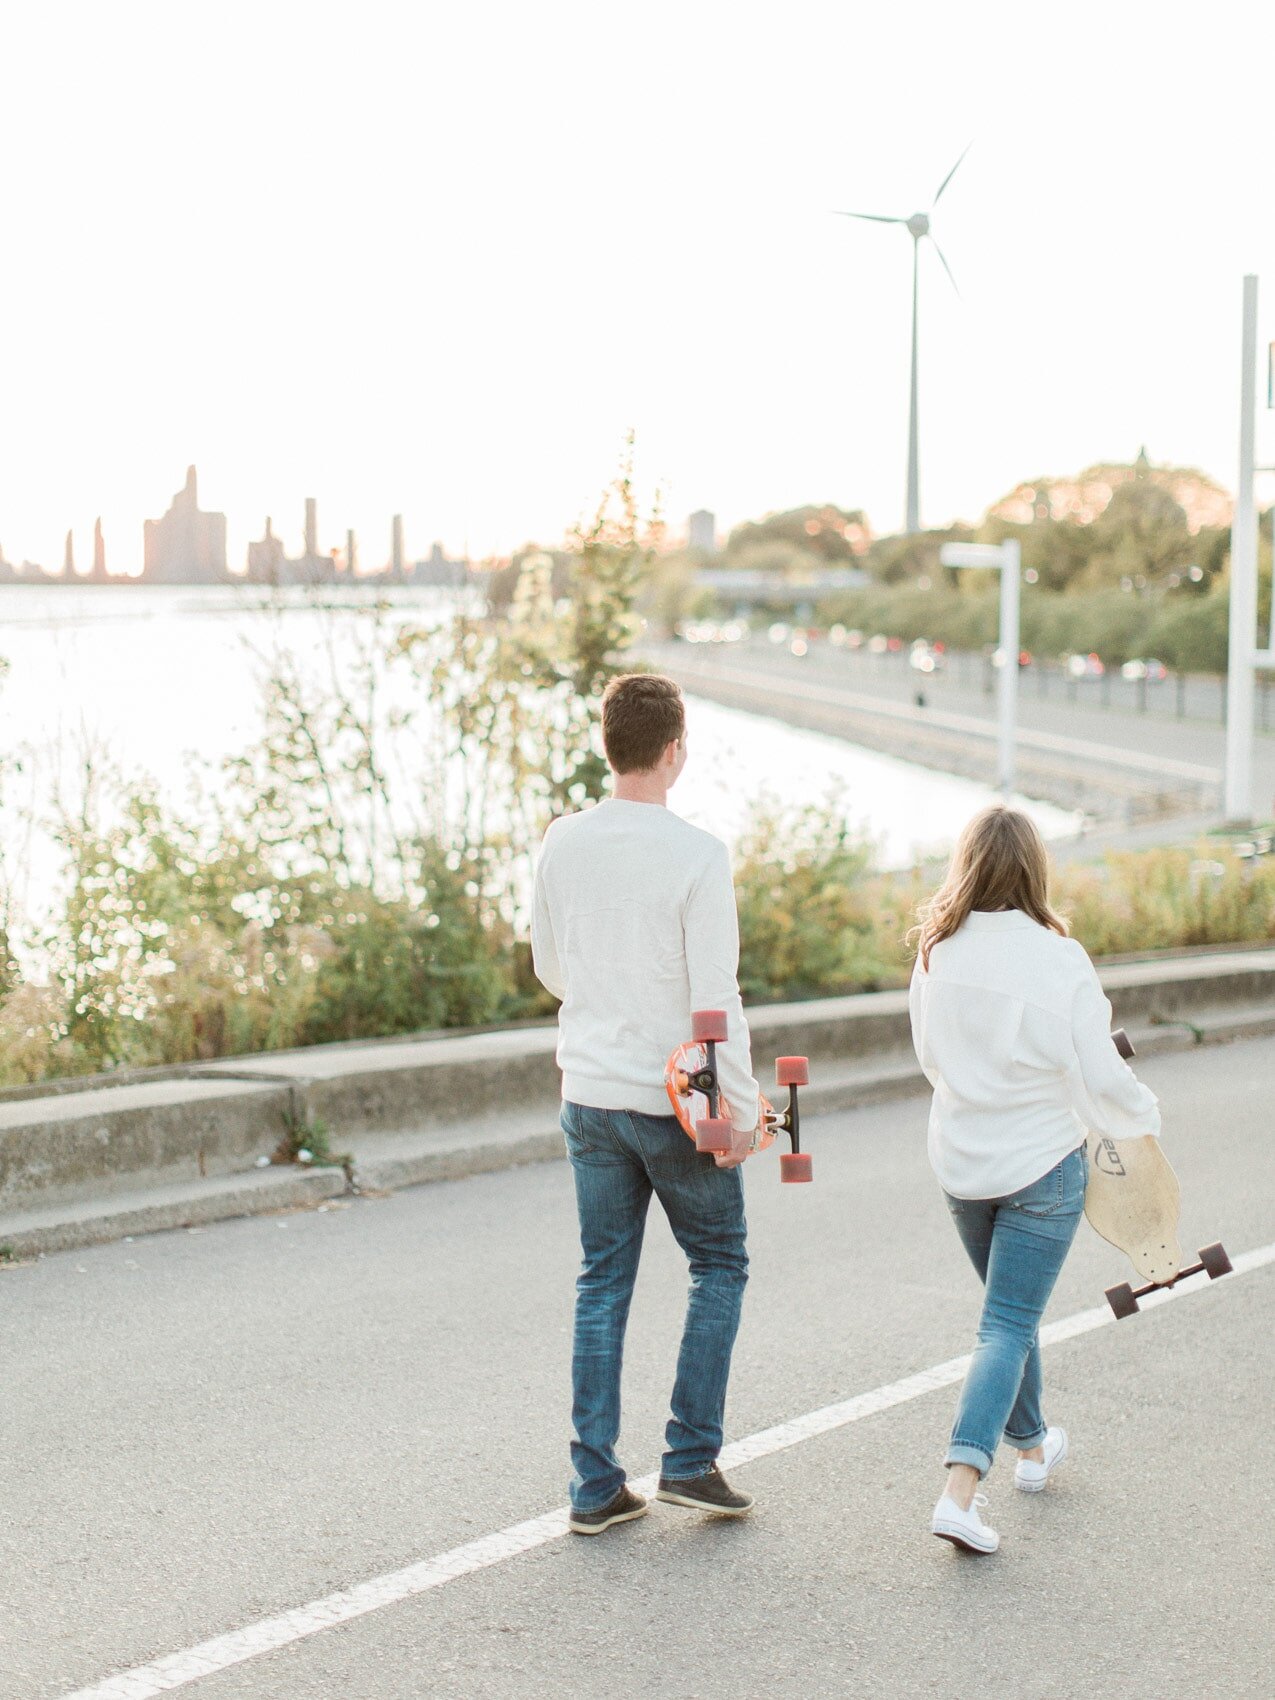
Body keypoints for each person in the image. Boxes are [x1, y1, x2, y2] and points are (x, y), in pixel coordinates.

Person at [532, 672, 762, 1535]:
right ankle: (690, 1461)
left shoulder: (562, 840)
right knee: (719, 1265)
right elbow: (714, 1002)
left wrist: (606, 988)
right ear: (673, 751)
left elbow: (550, 970)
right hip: (670, 1100)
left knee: (602, 1281)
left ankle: (594, 1488)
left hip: (588, 1095)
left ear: (608, 747)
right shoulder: (697, 854)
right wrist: (735, 1111)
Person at [908, 806, 1160, 1554]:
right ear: (1032, 871)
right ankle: (958, 1489)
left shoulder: (935, 952)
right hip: (1039, 1165)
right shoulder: (1058, 957)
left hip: (960, 1162)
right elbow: (1098, 1072)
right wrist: (1146, 1120)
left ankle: (1032, 1444)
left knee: (1006, 1315)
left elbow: (929, 1058)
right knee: (1007, 1323)